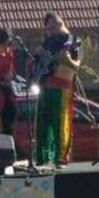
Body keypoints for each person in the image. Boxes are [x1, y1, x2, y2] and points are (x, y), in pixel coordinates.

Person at [35, 12, 82, 168]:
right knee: (42, 124)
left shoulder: (73, 41)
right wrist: (38, 56)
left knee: (61, 124)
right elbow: (40, 61)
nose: (52, 29)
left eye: (53, 25)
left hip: (62, 87)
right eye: (49, 27)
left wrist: (67, 60)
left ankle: (61, 158)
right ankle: (42, 158)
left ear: (60, 21)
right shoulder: (48, 41)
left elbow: (76, 66)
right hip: (44, 86)